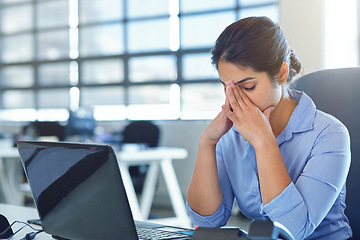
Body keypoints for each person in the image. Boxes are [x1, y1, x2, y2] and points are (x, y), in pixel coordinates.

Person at [186, 16, 352, 240]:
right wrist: (207, 142)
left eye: (248, 86)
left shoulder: (329, 134)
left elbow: (295, 230)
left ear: (282, 74)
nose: (234, 100)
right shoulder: (231, 134)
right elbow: (206, 222)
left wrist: (263, 142)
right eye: (227, 87)